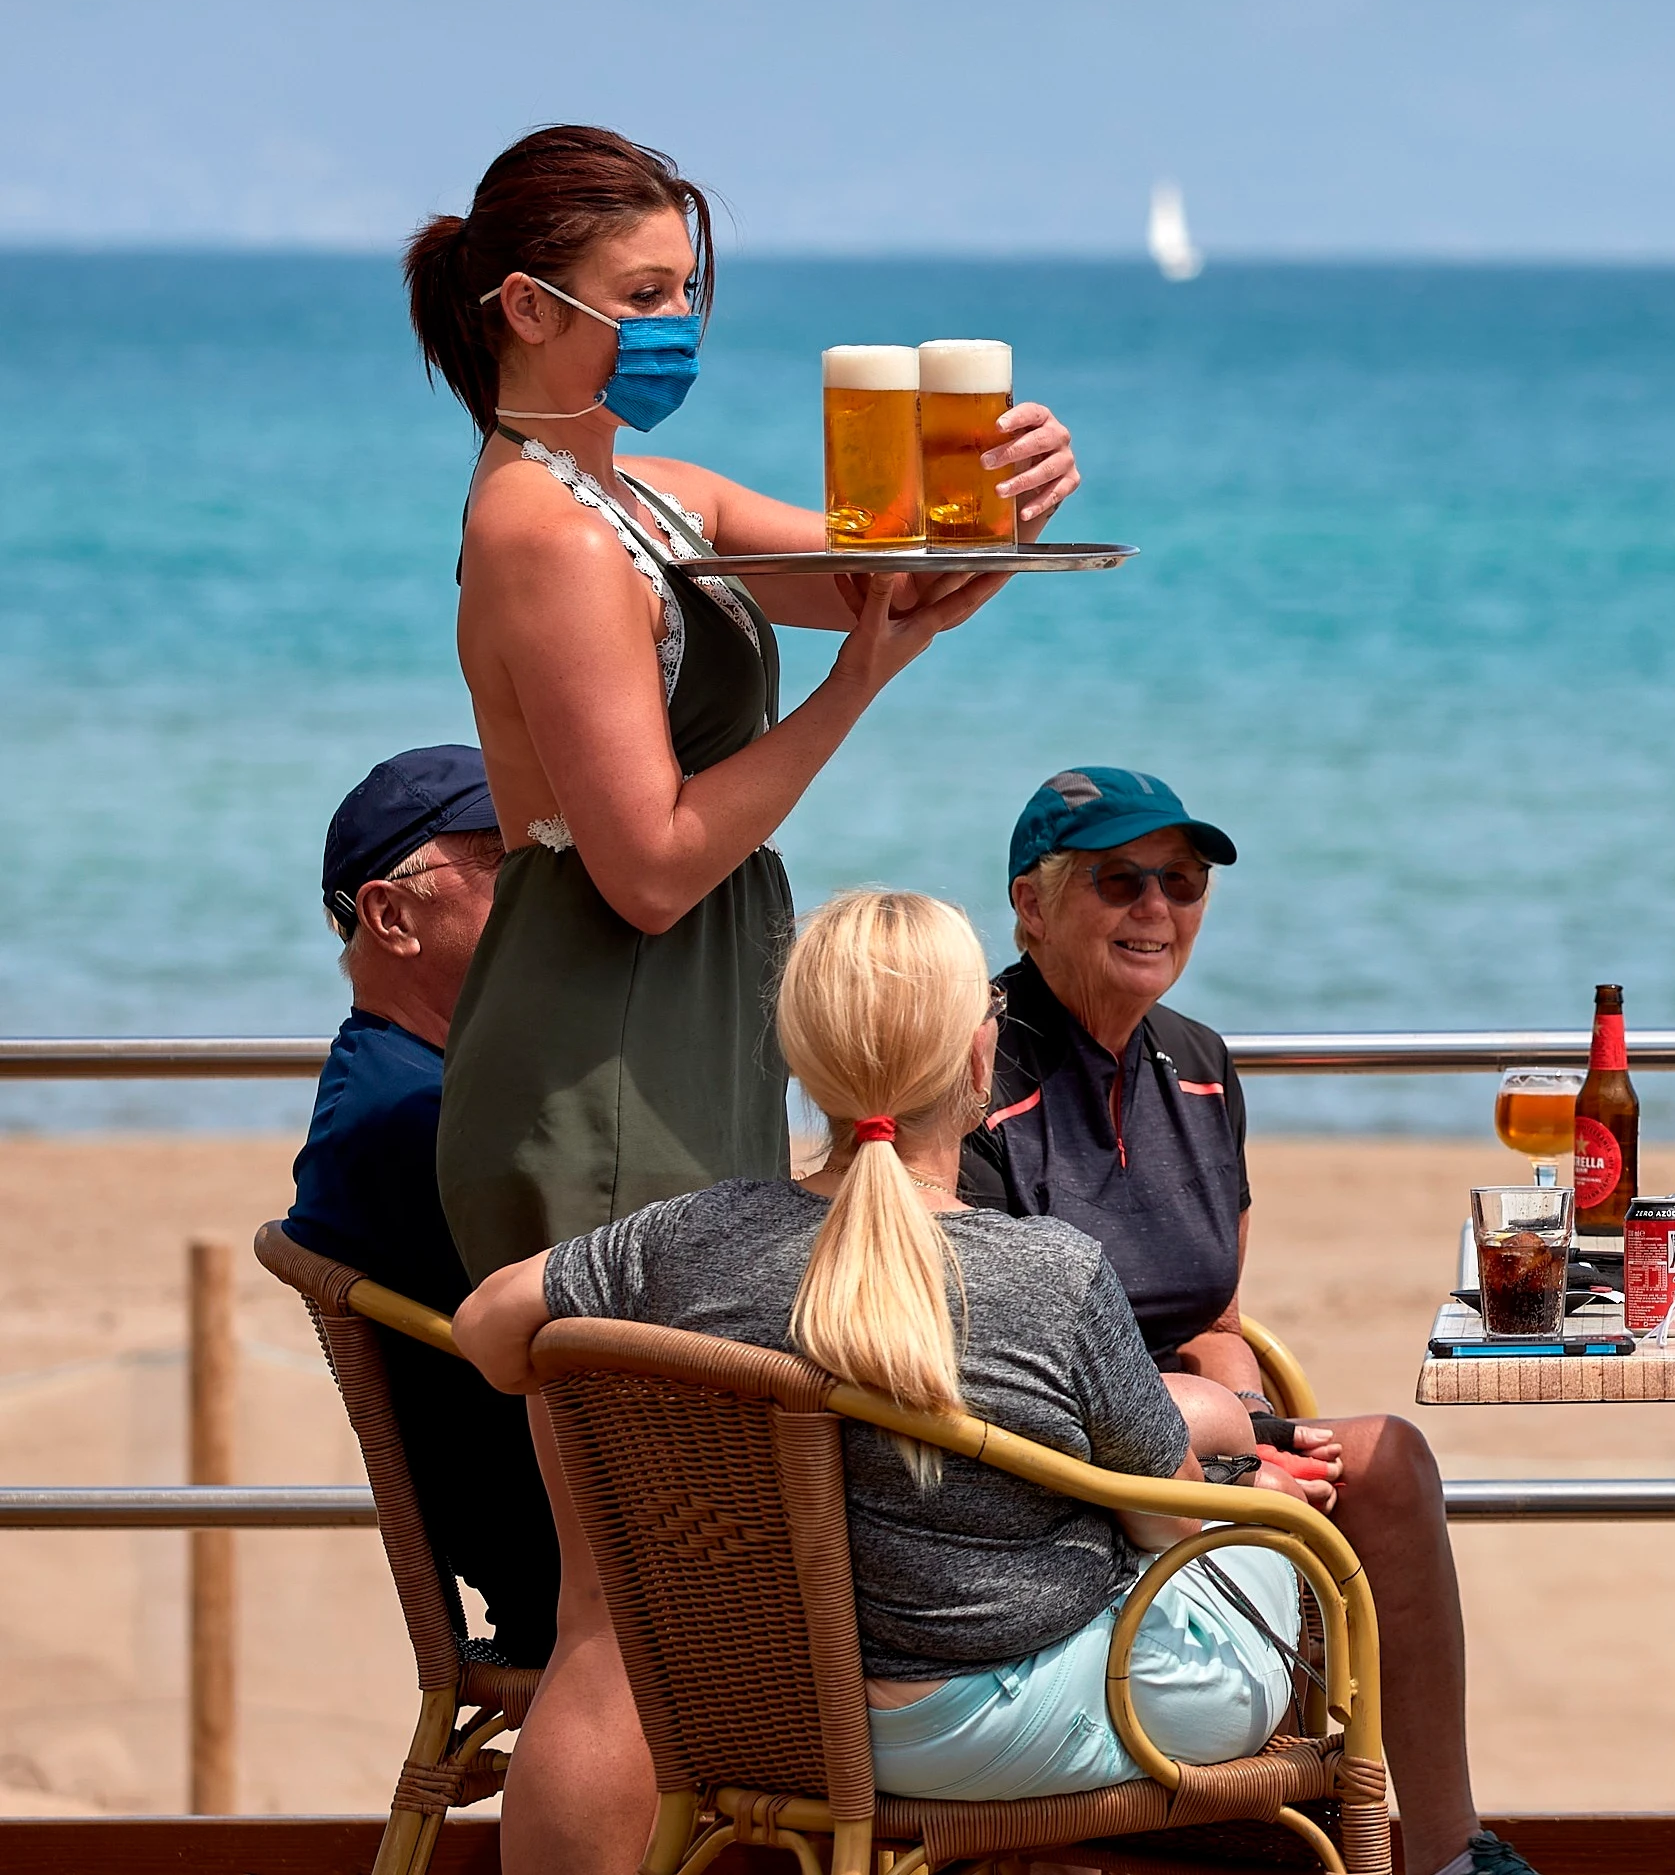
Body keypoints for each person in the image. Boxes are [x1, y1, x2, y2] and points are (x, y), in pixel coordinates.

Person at [403, 125, 1073, 1873]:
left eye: (688, 290)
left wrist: (1001, 492)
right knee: (627, 1602)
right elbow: (647, 861)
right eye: (642, 296)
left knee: (664, 1596)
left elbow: (896, 564)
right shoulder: (538, 529)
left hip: (676, 1039)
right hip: (595, 1050)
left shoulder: (656, 496)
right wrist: (860, 678)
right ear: (525, 310)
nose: (675, 320)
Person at [457, 893, 1314, 1821]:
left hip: (774, 1714)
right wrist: (1249, 1499)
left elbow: (486, 1327)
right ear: (981, 1056)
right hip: (998, 1723)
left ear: (798, 1057)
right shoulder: (1053, 1273)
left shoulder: (686, 1239)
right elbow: (1166, 1526)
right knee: (1277, 1543)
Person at [961, 767, 1534, 1875]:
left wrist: (1262, 1428)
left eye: (1182, 882)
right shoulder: (978, 1061)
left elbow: (1217, 1310)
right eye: (1120, 880)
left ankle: (1449, 1852)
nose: (1157, 909)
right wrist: (1211, 1458)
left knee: (1389, 1463)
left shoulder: (1203, 1063)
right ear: (1031, 906)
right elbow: (986, 1360)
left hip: (1194, 1436)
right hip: (1052, 1467)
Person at [278, 744, 557, 1667]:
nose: (550, 883)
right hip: (582, 1571)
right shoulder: (418, 1116)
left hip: (560, 1544)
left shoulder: (406, 1082)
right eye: (508, 858)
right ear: (392, 915)